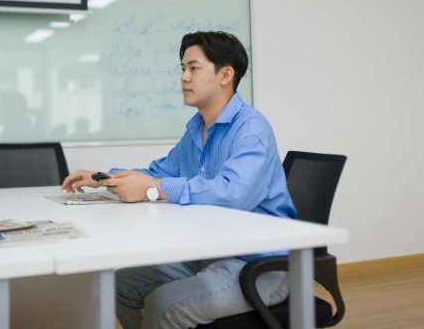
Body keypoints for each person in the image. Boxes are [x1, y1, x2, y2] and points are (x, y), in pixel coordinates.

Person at [61, 31, 296, 329]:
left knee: (165, 305)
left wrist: (153, 189)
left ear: (226, 75)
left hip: (258, 264)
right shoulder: (197, 129)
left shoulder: (251, 129)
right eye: (183, 68)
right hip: (211, 251)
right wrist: (103, 178)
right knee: (120, 285)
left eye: (194, 68)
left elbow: (234, 193)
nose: (184, 77)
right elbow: (161, 172)